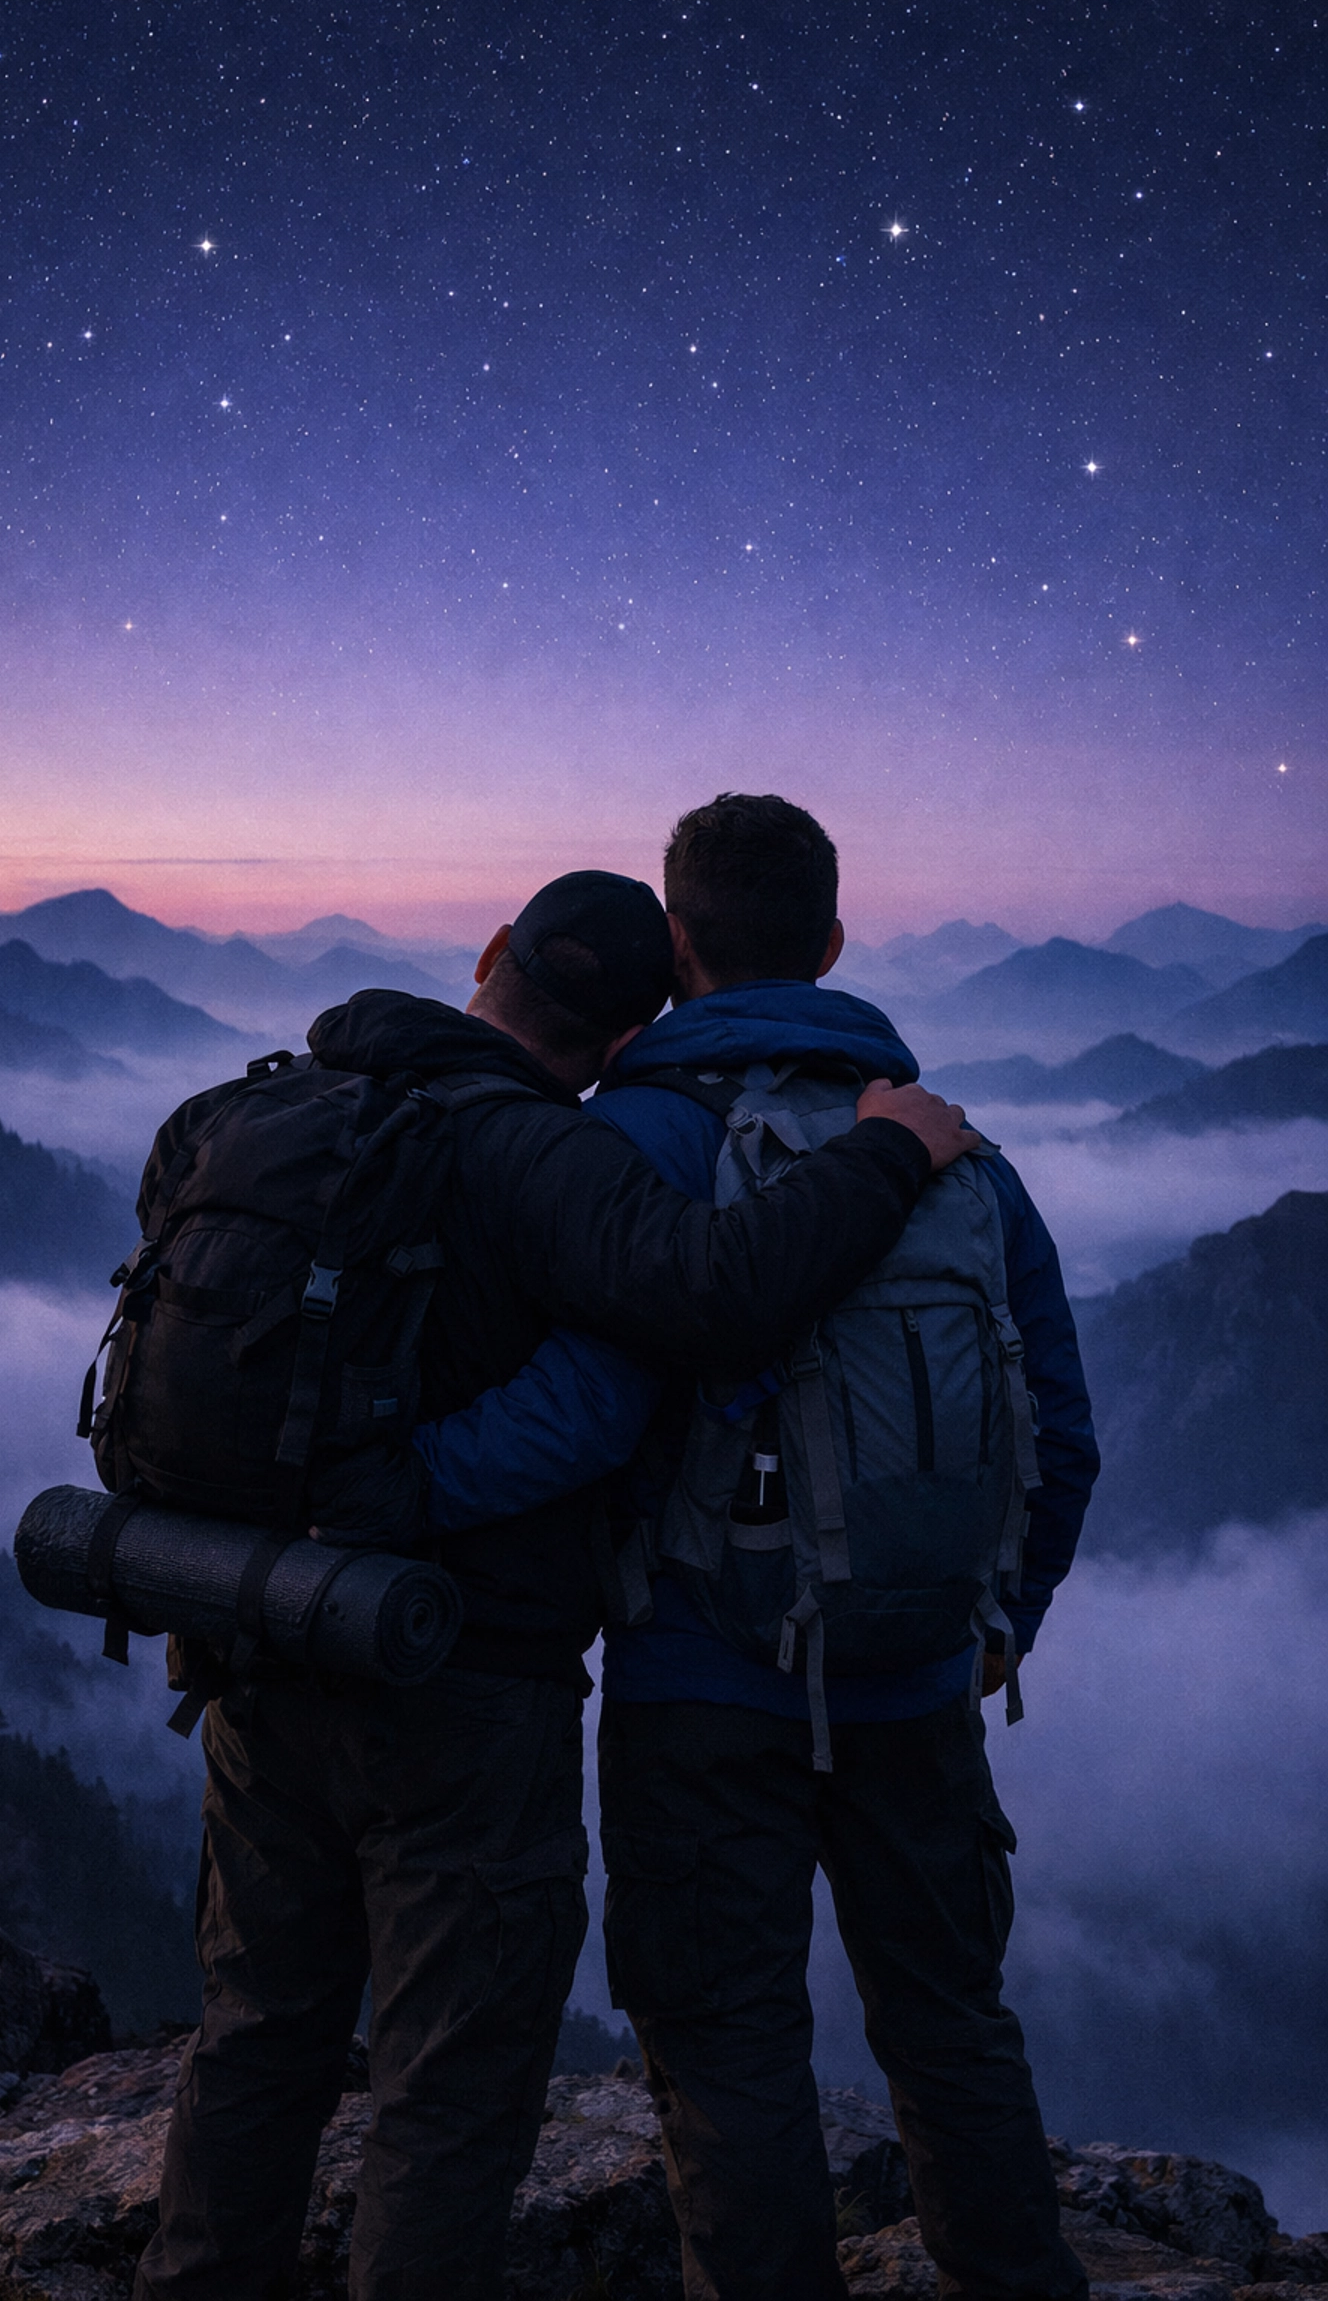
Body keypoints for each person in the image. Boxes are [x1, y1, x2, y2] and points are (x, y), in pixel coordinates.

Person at [133, 867, 977, 2301]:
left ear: (484, 954)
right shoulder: (543, 1157)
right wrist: (890, 1153)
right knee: (449, 2090)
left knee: (257, 2032)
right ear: (634, 1030)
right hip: (465, 1689)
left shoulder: (245, 1112)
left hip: (257, 1640)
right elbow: (716, 1291)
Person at [491, 797, 1097, 2301]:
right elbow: (1063, 1430)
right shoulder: (957, 1148)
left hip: (698, 1676)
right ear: (832, 942)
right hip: (917, 1672)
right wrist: (994, 1618)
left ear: (675, 945)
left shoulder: (631, 1134)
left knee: (728, 2054)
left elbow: (576, 1415)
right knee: (953, 2027)